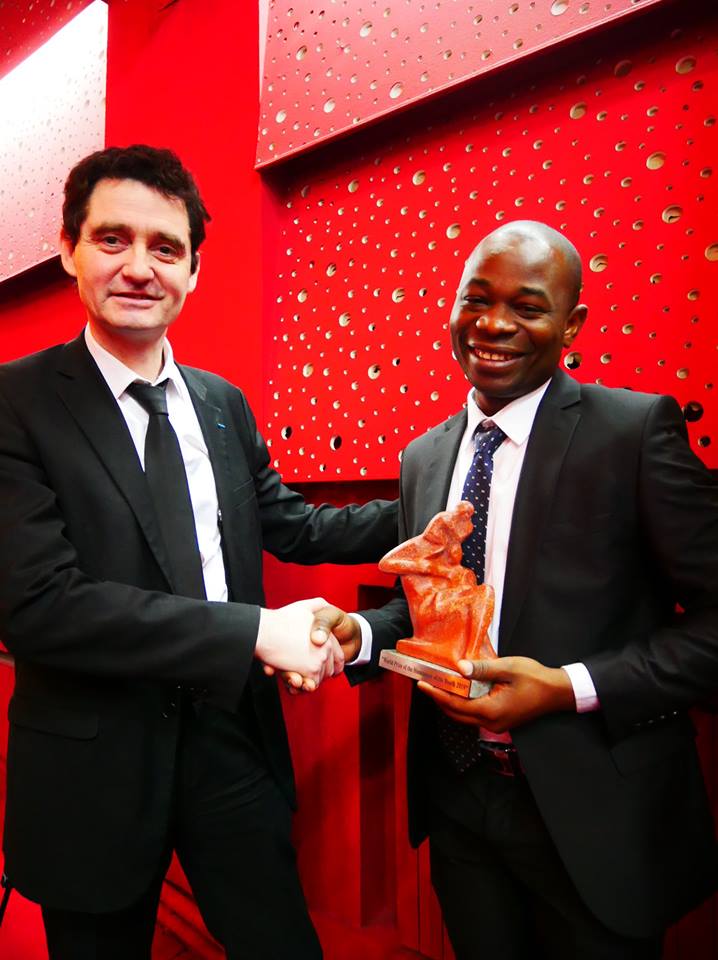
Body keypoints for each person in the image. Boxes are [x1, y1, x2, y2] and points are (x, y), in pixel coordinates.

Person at [0, 144, 397, 959]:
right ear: (69, 248)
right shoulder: (15, 402)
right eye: (113, 239)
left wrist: (434, 501)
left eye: (165, 247)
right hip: (94, 759)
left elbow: (294, 526)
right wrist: (257, 631)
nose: (139, 267)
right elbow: (40, 607)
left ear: (193, 270)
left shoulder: (222, 403)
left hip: (230, 737)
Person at [310, 220, 718, 959]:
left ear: (572, 324)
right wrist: (363, 633)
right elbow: (437, 603)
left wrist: (567, 688)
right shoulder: (424, 455)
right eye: (477, 299)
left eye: (528, 307)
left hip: (597, 812)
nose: (494, 325)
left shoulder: (633, 433)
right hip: (460, 804)